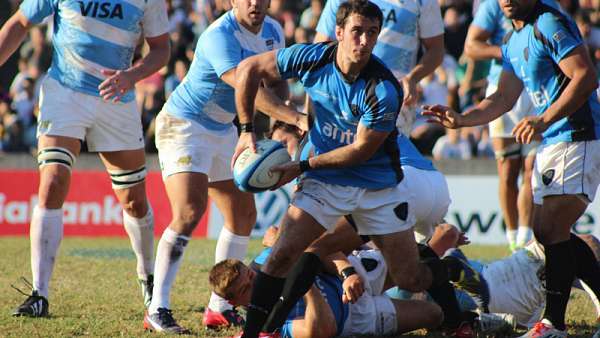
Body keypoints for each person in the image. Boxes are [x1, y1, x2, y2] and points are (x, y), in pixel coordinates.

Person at [232, 1, 455, 337]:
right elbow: (248, 69)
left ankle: (449, 272)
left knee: (410, 278)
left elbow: (361, 151)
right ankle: (255, 334)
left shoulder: (383, 88)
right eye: (356, 31)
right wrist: (247, 130)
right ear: (338, 33)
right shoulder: (311, 56)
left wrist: (302, 165)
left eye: (371, 33)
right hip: (325, 182)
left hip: (378, 188)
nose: (363, 41)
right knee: (282, 255)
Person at [423, 0, 600, 334]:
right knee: (546, 230)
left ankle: (553, 323)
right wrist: (462, 119)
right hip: (554, 139)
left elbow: (585, 76)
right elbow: (503, 98)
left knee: (551, 229)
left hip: (579, 134)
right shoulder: (513, 40)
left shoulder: (547, 23)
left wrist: (544, 118)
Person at [0, 0, 170, 317]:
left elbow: (161, 49)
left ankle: (148, 277)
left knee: (134, 201)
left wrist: (132, 76)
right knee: (51, 183)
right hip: (65, 92)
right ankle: (40, 293)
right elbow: (20, 22)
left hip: (116, 98)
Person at [146, 0, 306, 333]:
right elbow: (247, 87)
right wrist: (295, 117)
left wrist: (284, 121)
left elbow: (276, 82)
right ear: (231, 1)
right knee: (190, 211)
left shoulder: (274, 30)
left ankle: (218, 307)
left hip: (224, 128)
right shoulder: (219, 35)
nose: (255, 3)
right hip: (185, 123)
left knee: (243, 215)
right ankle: (157, 308)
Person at [402, 224, 600, 334]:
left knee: (449, 266)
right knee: (583, 242)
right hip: (498, 286)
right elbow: (447, 232)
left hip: (504, 300)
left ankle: (477, 320)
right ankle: (475, 315)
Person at [209, 246, 444, 338]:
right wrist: (303, 284)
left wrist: (346, 272)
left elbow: (317, 245)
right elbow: (323, 330)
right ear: (234, 301)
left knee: (425, 253)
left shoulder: (267, 263)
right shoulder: (265, 326)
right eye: (247, 288)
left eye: (251, 275)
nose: (256, 282)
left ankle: (462, 270)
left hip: (349, 279)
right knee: (434, 314)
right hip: (356, 317)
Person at [465, 0, 536, 252]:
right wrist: (508, 51)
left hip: (536, 89)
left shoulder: (544, 6)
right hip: (502, 89)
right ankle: (512, 238)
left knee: (532, 170)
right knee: (508, 169)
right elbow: (471, 46)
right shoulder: (493, 7)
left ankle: (526, 240)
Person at [314, 0, 445, 135]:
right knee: (336, 153)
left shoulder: (424, 2)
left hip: (392, 97)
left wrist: (412, 78)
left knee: (382, 154)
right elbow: (320, 48)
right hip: (342, 94)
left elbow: (436, 50)